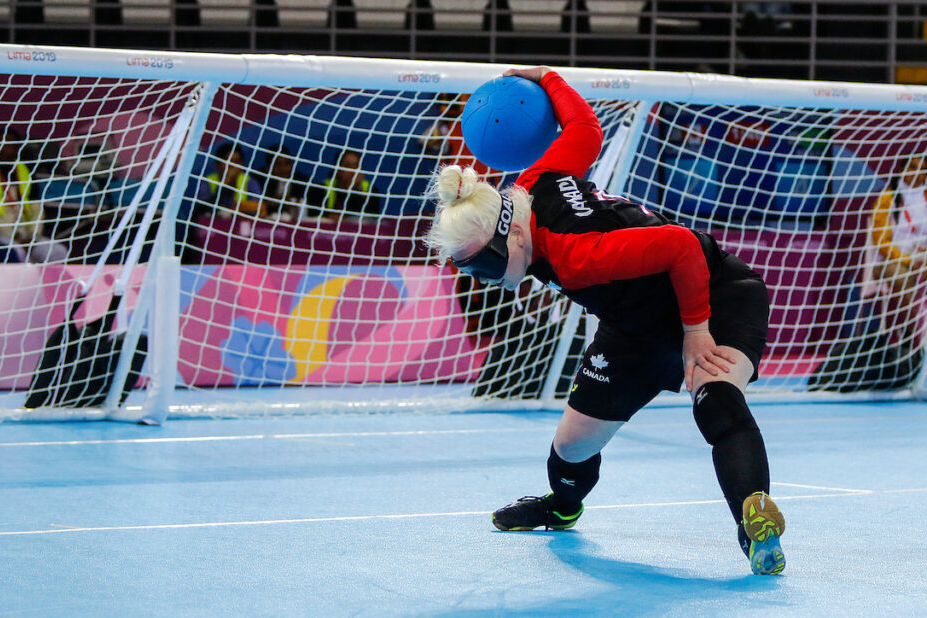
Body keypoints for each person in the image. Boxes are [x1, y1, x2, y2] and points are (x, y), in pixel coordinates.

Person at [424, 66, 786, 576]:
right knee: (572, 446)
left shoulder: (576, 255)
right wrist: (547, 77)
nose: (483, 278)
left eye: (484, 264)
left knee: (717, 397)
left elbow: (682, 246)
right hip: (633, 326)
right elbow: (585, 129)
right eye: (469, 268)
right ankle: (562, 507)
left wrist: (696, 331)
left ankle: (755, 527)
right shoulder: (533, 180)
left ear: (515, 236)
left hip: (714, 294)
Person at [864, 154, 927, 348]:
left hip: (923, 260)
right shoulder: (888, 198)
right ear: (902, 170)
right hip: (892, 261)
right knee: (904, 280)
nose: (917, 173)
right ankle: (914, 335)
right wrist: (908, 260)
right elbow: (881, 242)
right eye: (913, 168)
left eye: (922, 169)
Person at [0, 126, 67, 263]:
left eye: (9, 143)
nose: (3, 147)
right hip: (0, 232)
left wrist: (33, 236)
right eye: (0, 142)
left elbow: (36, 208)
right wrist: (14, 238)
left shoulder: (25, 168)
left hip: (26, 231)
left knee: (58, 251)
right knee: (17, 253)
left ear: (17, 147)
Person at [307, 149, 381, 221]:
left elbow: (370, 219)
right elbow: (314, 216)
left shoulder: (371, 190)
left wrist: (356, 189)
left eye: (356, 166)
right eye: (347, 166)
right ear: (338, 170)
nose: (353, 171)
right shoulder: (321, 189)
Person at [201, 142, 263, 218]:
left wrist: (236, 208)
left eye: (237, 161)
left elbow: (257, 208)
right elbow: (202, 209)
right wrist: (224, 186)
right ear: (217, 164)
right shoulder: (207, 181)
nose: (232, 165)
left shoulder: (249, 181)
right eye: (228, 161)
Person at [256, 146, 310, 222]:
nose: (283, 168)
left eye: (287, 164)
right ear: (268, 166)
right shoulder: (260, 179)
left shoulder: (302, 181)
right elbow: (259, 204)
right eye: (277, 164)